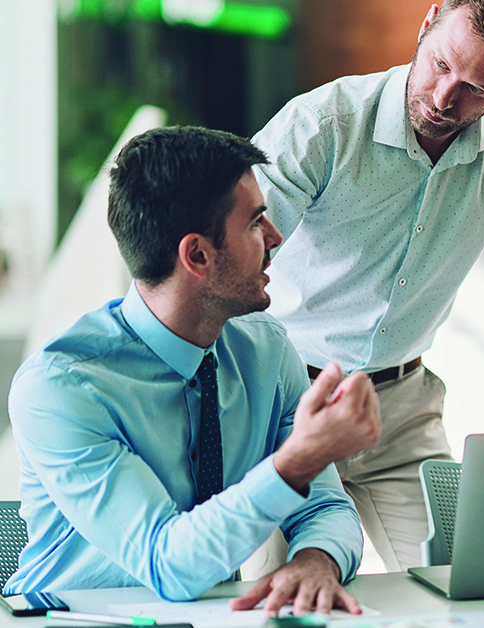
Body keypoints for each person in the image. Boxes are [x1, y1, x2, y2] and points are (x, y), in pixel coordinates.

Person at [250, 0, 484, 572]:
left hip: (401, 415)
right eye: (441, 64)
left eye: (478, 88)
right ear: (426, 25)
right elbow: (225, 262)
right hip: (280, 405)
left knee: (465, 585)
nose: (445, 97)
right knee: (270, 598)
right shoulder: (322, 124)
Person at [4, 127, 382, 616]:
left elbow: (326, 507)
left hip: (207, 618)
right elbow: (167, 565)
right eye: (255, 222)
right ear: (197, 256)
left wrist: (316, 559)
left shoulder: (266, 350)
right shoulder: (61, 387)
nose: (276, 237)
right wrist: (297, 461)